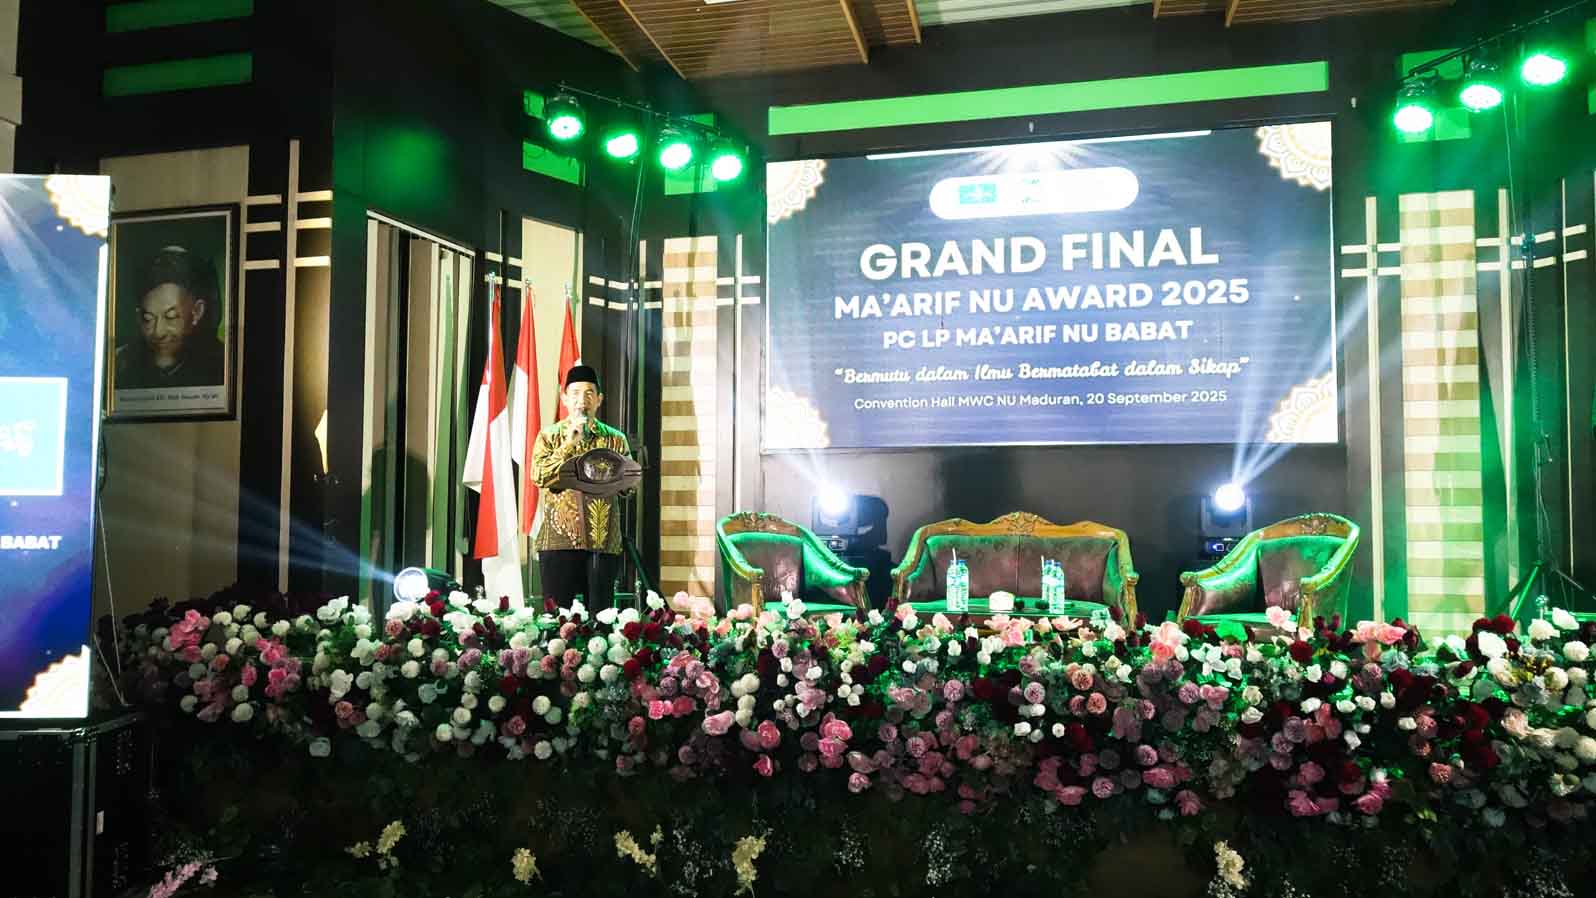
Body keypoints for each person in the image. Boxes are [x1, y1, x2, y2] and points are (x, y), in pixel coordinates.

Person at [530, 364, 631, 606]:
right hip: (558, 542)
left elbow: (628, 486)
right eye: (575, 393)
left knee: (601, 617)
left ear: (599, 400)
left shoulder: (615, 439)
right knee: (558, 617)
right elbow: (539, 476)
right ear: (564, 398)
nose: (581, 401)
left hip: (603, 542)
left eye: (588, 393)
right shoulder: (549, 436)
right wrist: (568, 445)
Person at [116, 246, 225, 389]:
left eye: (171, 317)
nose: (158, 332)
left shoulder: (223, 364)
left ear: (197, 311)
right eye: (148, 319)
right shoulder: (120, 363)